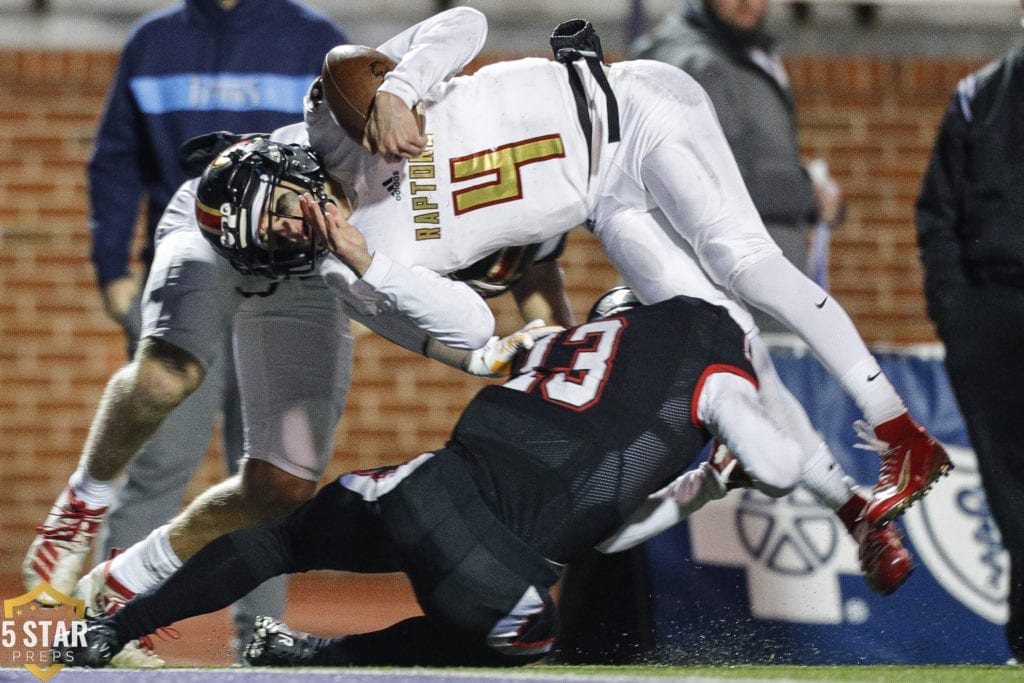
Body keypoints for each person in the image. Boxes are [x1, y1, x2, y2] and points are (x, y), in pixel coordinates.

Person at [304, 10, 943, 534]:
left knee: (742, 260)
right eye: (272, 241)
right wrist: (398, 289)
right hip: (603, 199)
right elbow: (464, 326)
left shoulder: (332, 116)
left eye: (280, 207)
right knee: (730, 338)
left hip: (633, 110)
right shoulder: (356, 261)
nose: (289, 225)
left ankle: (899, 430)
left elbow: (467, 22)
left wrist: (398, 89)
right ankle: (853, 509)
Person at [67, 289, 809, 670]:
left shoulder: (569, 345)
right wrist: (714, 480)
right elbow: (777, 466)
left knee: (282, 541)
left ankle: (108, 630)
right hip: (498, 572)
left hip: (426, 488)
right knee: (518, 639)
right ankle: (322, 656)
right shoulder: (691, 371)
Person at [24, 128, 540, 667]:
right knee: (165, 376)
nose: (286, 226)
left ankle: (121, 583)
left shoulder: (373, 202)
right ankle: (81, 507)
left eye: (284, 211)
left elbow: (388, 308)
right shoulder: (335, 178)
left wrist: (475, 357)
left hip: (306, 266)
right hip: (219, 224)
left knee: (280, 488)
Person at [61, 0, 348, 658]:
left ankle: (263, 640)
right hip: (189, 286)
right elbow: (114, 163)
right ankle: (107, 630)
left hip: (291, 295)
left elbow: (347, 169)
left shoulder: (317, 41)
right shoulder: (154, 42)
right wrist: (114, 275)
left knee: (275, 479)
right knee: (158, 466)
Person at [629, 0, 845, 331]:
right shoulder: (698, 64)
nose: (748, 3)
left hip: (751, 298)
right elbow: (709, 181)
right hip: (728, 306)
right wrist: (808, 196)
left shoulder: (743, 53)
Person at [916, 5, 1024, 660]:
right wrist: (957, 315)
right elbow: (938, 213)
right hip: (989, 315)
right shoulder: (978, 95)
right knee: (1010, 486)